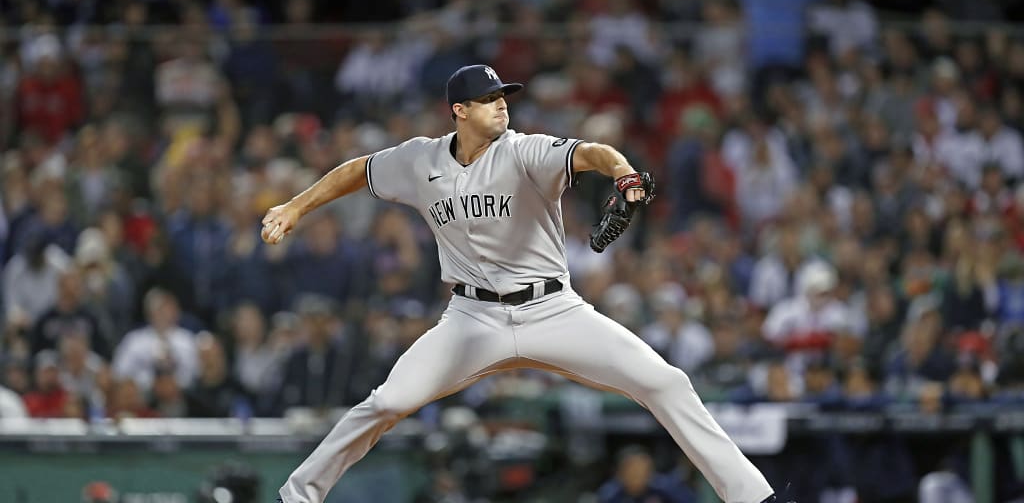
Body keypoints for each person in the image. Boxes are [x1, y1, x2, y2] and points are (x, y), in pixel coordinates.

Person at [262, 65, 777, 503]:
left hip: (553, 311)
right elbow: (358, 170)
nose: (502, 106)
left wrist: (623, 174)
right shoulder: (421, 160)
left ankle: (753, 497)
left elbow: (591, 152)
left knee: (665, 383)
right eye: (488, 100)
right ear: (459, 110)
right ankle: (296, 496)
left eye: (504, 97)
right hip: (471, 319)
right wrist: (294, 207)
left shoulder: (525, 151)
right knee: (387, 404)